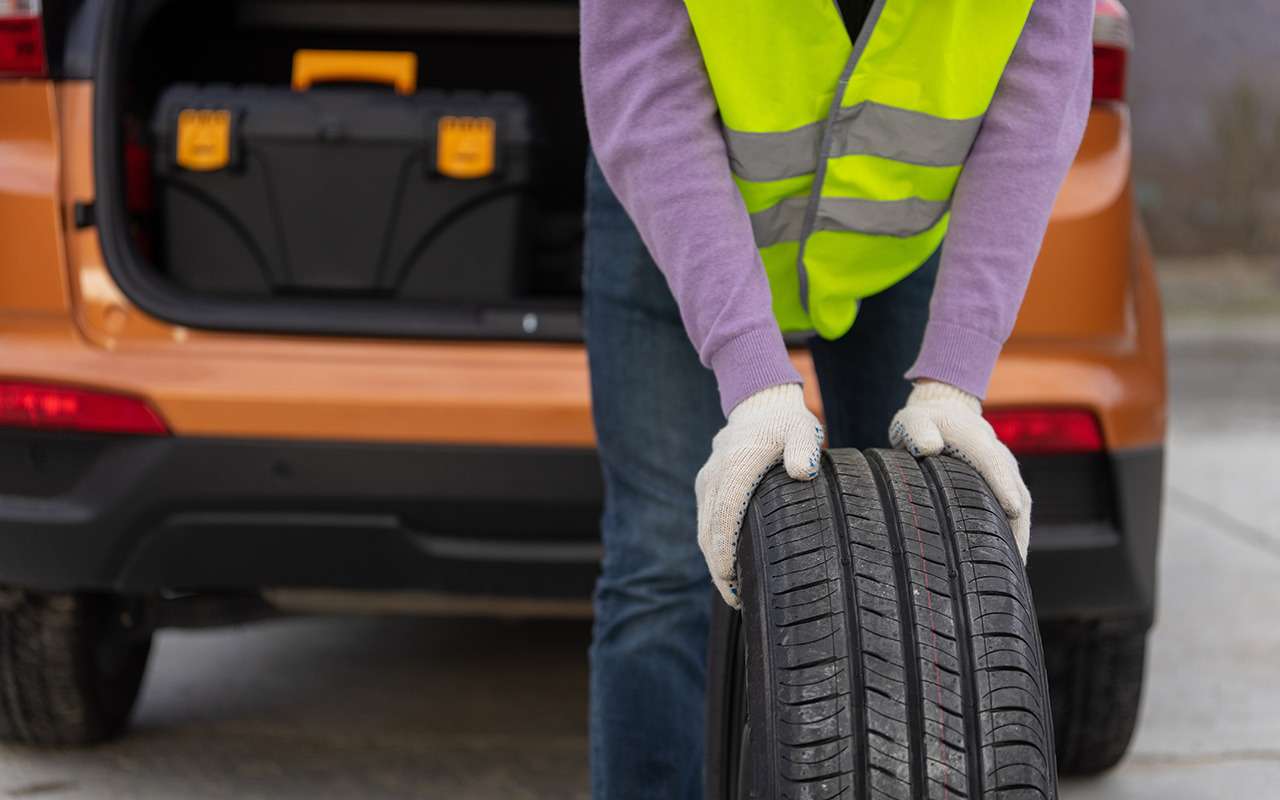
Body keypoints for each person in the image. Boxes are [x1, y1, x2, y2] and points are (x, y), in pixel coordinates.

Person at [579, 1, 1095, 796]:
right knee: (658, 568)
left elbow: (1037, 104)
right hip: (678, 224)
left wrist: (955, 376)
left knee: (923, 554)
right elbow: (645, 95)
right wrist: (751, 377)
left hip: (888, 243)